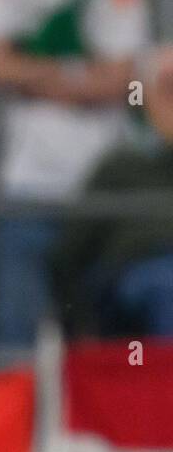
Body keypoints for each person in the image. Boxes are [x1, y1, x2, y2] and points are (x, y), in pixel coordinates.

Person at [0, 0, 151, 345]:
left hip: (99, 187)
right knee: (18, 322)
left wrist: (32, 77)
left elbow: (121, 79)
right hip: (25, 183)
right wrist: (81, 78)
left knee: (100, 327)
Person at [52, 47, 173, 336]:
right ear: (146, 98)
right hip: (139, 274)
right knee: (164, 285)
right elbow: (70, 254)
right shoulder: (120, 165)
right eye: (169, 87)